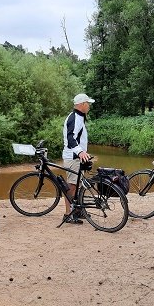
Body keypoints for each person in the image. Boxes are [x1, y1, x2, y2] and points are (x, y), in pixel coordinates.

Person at [61, 93, 95, 224]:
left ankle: (77, 210)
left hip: (78, 157)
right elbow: (70, 138)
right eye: (88, 104)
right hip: (73, 157)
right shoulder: (74, 118)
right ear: (82, 104)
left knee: (79, 185)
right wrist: (80, 152)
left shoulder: (80, 117)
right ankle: (68, 214)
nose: (89, 106)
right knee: (72, 186)